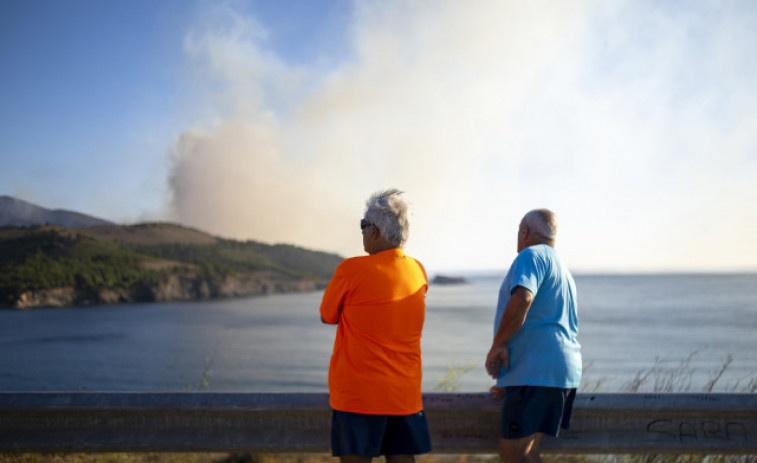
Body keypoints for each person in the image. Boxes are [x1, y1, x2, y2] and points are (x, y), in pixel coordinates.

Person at [320, 189, 431, 463]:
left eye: (363, 225)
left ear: (377, 232)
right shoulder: (418, 271)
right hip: (403, 395)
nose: (361, 232)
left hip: (358, 396)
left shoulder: (350, 270)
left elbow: (327, 316)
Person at [485, 209, 581, 463]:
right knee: (529, 453)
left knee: (512, 455)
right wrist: (514, 379)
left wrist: (498, 345)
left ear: (524, 232)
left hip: (537, 376)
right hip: (560, 375)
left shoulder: (530, 255)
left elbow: (523, 298)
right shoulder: (563, 270)